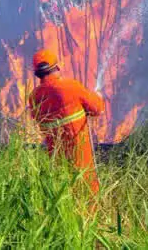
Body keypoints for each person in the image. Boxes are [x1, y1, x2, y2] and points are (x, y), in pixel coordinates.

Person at [28, 48, 105, 196]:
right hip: (80, 153)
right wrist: (98, 96)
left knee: (64, 192)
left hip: (56, 156)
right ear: (57, 67)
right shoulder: (70, 87)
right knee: (88, 191)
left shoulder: (33, 97)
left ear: (37, 74)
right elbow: (97, 109)